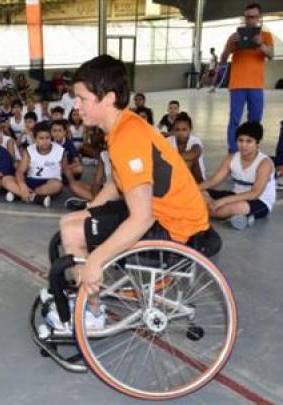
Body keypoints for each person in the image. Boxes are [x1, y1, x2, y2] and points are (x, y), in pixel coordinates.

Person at [52, 55, 215, 330]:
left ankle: (91, 313)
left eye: (82, 98)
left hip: (176, 229)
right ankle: (85, 297)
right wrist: (89, 213)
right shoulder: (121, 126)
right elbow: (116, 184)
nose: (76, 106)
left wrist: (96, 259)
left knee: (72, 233)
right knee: (71, 223)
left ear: (108, 98)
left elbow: (142, 219)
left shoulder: (128, 137)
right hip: (167, 214)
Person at [220, 3, 274, 154]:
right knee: (234, 120)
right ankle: (233, 150)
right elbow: (223, 59)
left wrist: (260, 44)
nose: (250, 20)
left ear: (259, 18)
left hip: (256, 85)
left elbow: (270, 55)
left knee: (255, 120)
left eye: (253, 17)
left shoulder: (266, 36)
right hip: (237, 84)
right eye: (247, 17)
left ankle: (252, 148)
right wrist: (231, 45)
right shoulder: (234, 36)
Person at [200, 121, 275, 230]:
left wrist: (222, 201)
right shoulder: (231, 158)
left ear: (258, 143)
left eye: (249, 141)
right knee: (201, 192)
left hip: (259, 201)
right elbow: (213, 180)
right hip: (236, 194)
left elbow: (254, 193)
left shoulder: (264, 163)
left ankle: (210, 211)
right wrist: (191, 189)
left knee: (235, 207)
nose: (243, 145)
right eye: (240, 140)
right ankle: (221, 213)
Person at [3, 121, 63, 208]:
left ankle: (20, 194)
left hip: (48, 182)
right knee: (6, 179)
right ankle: (36, 197)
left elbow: (61, 174)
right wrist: (23, 186)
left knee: (58, 185)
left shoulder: (59, 150)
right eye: (41, 138)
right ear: (35, 139)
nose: (45, 141)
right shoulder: (29, 150)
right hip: (30, 181)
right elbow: (20, 171)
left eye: (47, 138)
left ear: (51, 137)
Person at [168, 112, 206, 183]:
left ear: (190, 129)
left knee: (190, 160)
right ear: (173, 130)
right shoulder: (168, 141)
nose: (180, 133)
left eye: (184, 130)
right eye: (177, 130)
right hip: (176, 178)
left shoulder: (195, 141)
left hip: (196, 180)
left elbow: (195, 153)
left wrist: (170, 158)